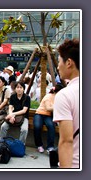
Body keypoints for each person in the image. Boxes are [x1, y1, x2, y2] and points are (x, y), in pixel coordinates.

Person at [53, 38, 79, 168]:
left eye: (59, 62)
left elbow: (67, 141)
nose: (58, 67)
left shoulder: (65, 95)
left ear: (69, 62)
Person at [33, 83, 64, 153]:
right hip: (39, 114)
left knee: (51, 126)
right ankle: (39, 145)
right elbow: (48, 108)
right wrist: (58, 107)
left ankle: (50, 147)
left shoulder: (59, 98)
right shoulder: (48, 96)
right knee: (37, 126)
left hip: (48, 116)